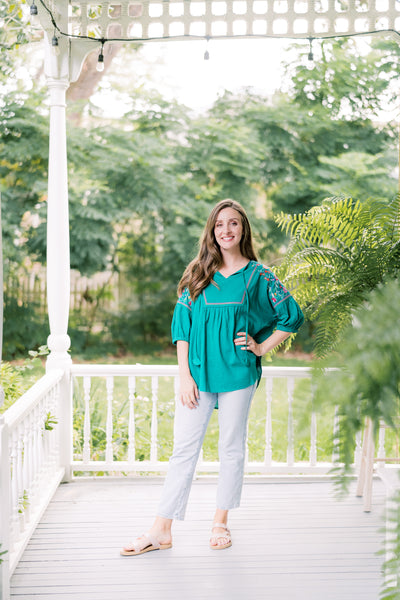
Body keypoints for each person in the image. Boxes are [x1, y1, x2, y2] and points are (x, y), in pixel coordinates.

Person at [121, 199, 304, 556]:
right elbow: (182, 328)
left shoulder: (258, 275)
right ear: (212, 230)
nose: (226, 230)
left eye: (233, 223)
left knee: (230, 449)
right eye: (220, 224)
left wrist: (261, 347)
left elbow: (291, 316)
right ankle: (161, 530)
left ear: (243, 230)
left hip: (238, 371)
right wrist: (184, 375)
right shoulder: (197, 272)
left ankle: (220, 521)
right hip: (198, 374)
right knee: (183, 450)